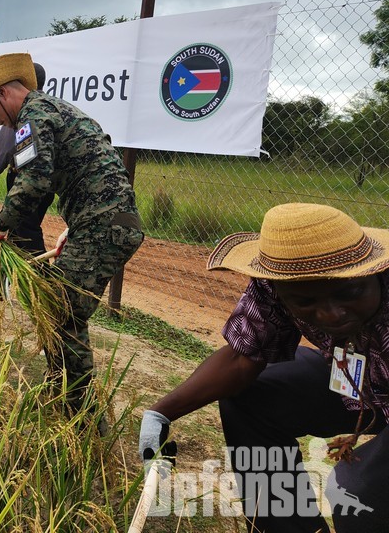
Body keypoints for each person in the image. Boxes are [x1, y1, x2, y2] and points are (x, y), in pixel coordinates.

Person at [140, 203, 389, 533]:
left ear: (372, 272)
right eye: (305, 303)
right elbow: (243, 358)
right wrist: (159, 414)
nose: (331, 314)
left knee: (359, 491)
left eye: (349, 293)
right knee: (251, 394)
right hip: (362, 389)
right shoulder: (278, 285)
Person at [0, 52, 144, 408]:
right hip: (101, 222)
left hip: (102, 225)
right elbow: (92, 171)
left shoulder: (32, 117)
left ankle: (78, 413)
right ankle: (64, 395)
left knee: (61, 314)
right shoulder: (53, 110)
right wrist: (76, 225)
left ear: (3, 93)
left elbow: (34, 181)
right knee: (60, 311)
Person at [0, 61, 52, 298]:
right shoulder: (47, 107)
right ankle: (2, 283)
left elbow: (3, 148)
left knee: (25, 231)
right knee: (17, 233)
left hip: (26, 180)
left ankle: (45, 286)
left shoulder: (24, 114)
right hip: (46, 185)